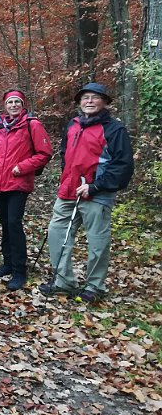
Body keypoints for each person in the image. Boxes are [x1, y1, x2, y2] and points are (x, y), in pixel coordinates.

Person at [39, 83, 134, 302]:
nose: (89, 101)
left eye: (95, 97)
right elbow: (66, 155)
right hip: (68, 191)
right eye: (85, 98)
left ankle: (94, 286)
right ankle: (63, 281)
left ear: (105, 102)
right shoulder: (73, 124)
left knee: (97, 242)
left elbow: (123, 166)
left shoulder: (114, 129)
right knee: (56, 233)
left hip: (97, 195)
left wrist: (95, 186)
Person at [0, 90, 52, 290]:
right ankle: (7, 263)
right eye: (10, 102)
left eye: (16, 102)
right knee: (5, 223)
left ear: (22, 105)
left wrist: (22, 167)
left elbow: (44, 153)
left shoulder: (32, 125)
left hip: (18, 184)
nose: (13, 105)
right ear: (5, 105)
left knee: (14, 223)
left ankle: (20, 270)